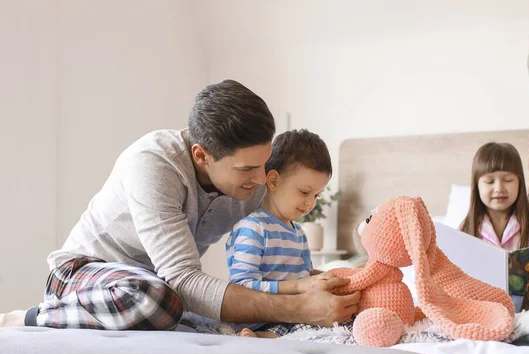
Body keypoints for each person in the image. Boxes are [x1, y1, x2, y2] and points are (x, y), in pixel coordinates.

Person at [0, 80, 359, 330]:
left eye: (264, 165)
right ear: (201, 155)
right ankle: (33, 317)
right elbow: (184, 280)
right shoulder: (153, 163)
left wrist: (343, 280)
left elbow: (277, 266)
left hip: (160, 287)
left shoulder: (256, 179)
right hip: (83, 275)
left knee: (190, 311)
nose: (261, 180)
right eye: (247, 169)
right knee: (159, 299)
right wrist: (298, 309)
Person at [226, 129, 339, 338]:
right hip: (258, 317)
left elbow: (303, 276)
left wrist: (337, 278)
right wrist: (298, 286)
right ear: (274, 181)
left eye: (317, 195)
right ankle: (259, 337)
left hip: (290, 316)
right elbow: (241, 287)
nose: (311, 203)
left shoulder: (298, 234)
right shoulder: (253, 228)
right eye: (305, 192)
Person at [460, 142, 529, 251]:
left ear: (520, 183)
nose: (499, 188)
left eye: (508, 180)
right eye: (489, 181)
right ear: (477, 186)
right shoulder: (465, 230)